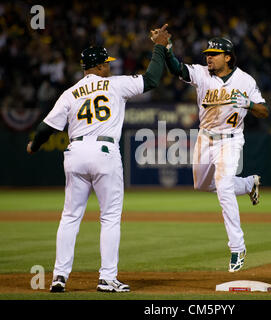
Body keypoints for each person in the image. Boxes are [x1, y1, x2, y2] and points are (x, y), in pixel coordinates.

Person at [26, 25, 171, 292]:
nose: (109, 67)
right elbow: (151, 80)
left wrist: (35, 146)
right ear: (100, 66)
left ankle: (59, 276)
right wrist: (160, 47)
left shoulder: (69, 93)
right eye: (107, 63)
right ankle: (106, 278)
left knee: (70, 216)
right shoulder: (115, 85)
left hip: (76, 152)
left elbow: (46, 128)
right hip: (105, 152)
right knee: (110, 217)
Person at [151, 33, 269, 272]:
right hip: (205, 138)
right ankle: (248, 184)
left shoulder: (245, 81)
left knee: (224, 187)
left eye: (214, 55)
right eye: (207, 54)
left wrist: (248, 103)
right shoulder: (202, 73)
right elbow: (177, 69)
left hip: (231, 140)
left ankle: (237, 248)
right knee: (202, 185)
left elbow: (264, 111)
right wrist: (166, 49)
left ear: (228, 57)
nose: (209, 58)